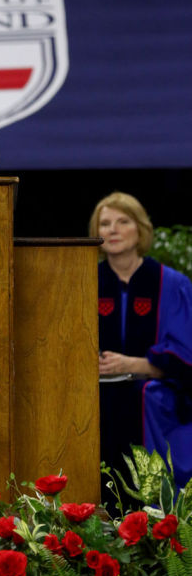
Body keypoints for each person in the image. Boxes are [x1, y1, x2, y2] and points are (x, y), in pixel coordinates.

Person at [88, 192, 192, 497]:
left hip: (153, 399)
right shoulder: (84, 281)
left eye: (123, 221)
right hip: (95, 396)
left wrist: (137, 365)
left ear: (140, 230)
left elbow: (187, 354)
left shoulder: (171, 284)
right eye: (105, 223)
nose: (113, 229)